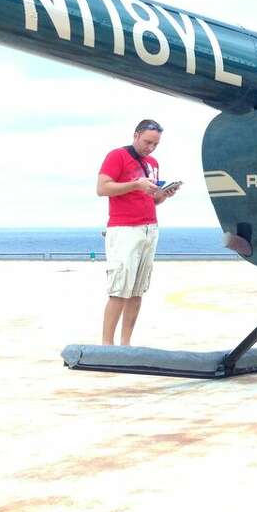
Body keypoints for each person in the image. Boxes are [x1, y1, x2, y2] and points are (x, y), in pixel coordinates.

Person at [97, 118, 181, 346]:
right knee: (120, 288)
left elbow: (150, 200)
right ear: (136, 135)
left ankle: (126, 343)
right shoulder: (118, 156)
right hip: (124, 229)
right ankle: (107, 345)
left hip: (149, 227)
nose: (150, 148)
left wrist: (163, 195)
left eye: (155, 144)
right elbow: (102, 188)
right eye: (147, 142)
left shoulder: (152, 162)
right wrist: (135, 184)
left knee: (137, 289)